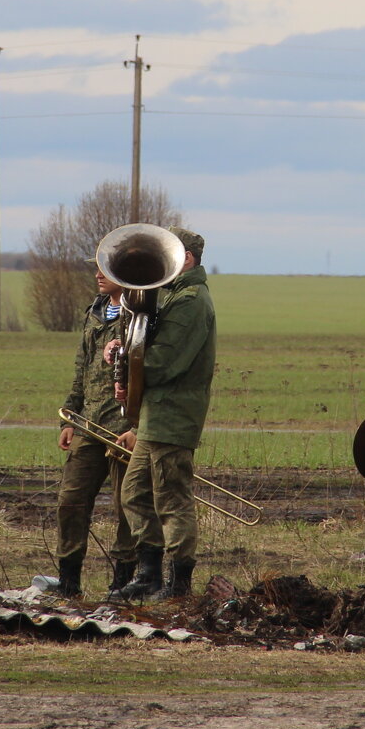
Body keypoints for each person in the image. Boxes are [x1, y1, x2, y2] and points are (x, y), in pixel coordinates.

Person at [111, 226, 216, 601]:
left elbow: (164, 362)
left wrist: (128, 369)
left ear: (185, 259)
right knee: (135, 493)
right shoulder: (175, 297)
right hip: (157, 416)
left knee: (172, 500)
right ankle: (149, 574)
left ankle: (178, 584)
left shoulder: (190, 301)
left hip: (173, 417)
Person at [54, 261, 140, 597]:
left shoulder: (142, 315)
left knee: (127, 507)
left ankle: (123, 583)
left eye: (105, 269)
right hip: (88, 424)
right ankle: (68, 581)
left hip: (125, 427)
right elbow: (82, 369)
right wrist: (70, 418)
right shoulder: (95, 311)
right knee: (70, 501)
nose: (97, 275)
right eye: (97, 269)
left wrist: (140, 427)